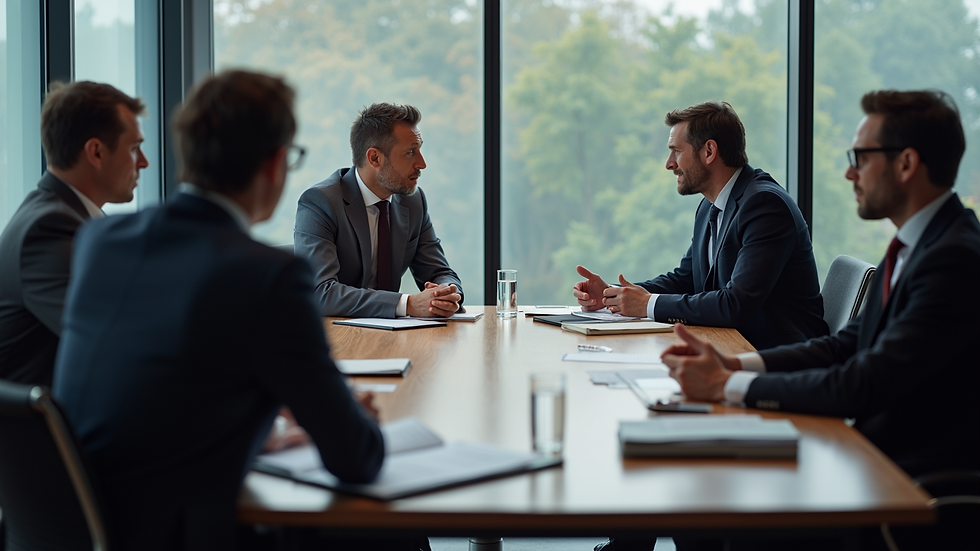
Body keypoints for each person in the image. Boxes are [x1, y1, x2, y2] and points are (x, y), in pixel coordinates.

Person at [52, 70, 387, 551]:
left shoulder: (101, 241)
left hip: (80, 528)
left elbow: (163, 389)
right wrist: (357, 419)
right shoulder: (269, 275)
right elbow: (356, 458)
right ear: (274, 164)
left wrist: (263, 430)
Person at [654, 90, 979, 550]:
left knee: (720, 504)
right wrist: (736, 367)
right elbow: (845, 345)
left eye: (861, 157)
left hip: (905, 482)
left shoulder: (953, 259)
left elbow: (862, 382)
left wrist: (727, 387)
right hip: (868, 454)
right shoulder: (914, 245)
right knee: (702, 486)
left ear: (906, 164)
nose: (850, 172)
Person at [574, 102, 829, 350]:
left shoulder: (765, 205)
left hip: (778, 360)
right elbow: (686, 280)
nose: (669, 163)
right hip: (730, 348)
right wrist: (612, 295)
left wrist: (648, 304)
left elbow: (734, 305)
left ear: (709, 151)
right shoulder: (710, 204)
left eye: (676, 151)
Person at [0, 81, 148, 385]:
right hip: (46, 428)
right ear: (95, 152)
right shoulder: (47, 230)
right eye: (134, 149)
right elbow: (111, 342)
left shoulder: (63, 217)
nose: (144, 162)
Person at [294, 102, 463, 318]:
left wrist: (447, 294)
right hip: (337, 339)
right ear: (374, 158)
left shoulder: (413, 200)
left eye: (420, 150)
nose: (422, 163)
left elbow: (440, 272)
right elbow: (321, 292)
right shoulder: (320, 202)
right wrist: (408, 304)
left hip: (390, 337)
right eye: (411, 152)